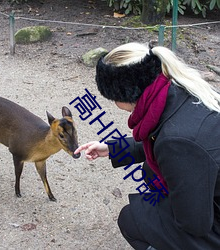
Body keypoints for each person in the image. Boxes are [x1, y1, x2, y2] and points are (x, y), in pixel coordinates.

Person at [74, 42, 220, 250]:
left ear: (125, 94)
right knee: (151, 172)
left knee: (132, 219)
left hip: (210, 221)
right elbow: (160, 137)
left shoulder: (177, 142)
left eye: (113, 97)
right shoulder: (178, 88)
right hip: (210, 185)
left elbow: (195, 224)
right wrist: (113, 148)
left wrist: (162, 210)